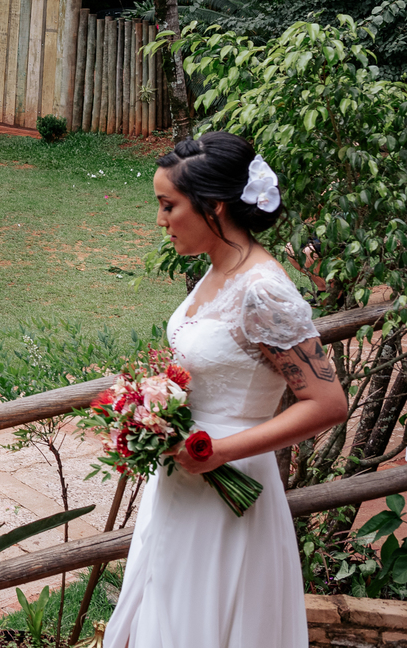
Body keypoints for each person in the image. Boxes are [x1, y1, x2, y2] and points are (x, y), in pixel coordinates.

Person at [103, 132, 348, 648]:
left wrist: (218, 451)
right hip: (180, 484)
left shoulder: (263, 290)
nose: (161, 220)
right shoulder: (217, 271)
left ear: (213, 206)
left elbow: (327, 403)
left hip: (229, 489)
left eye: (169, 206)